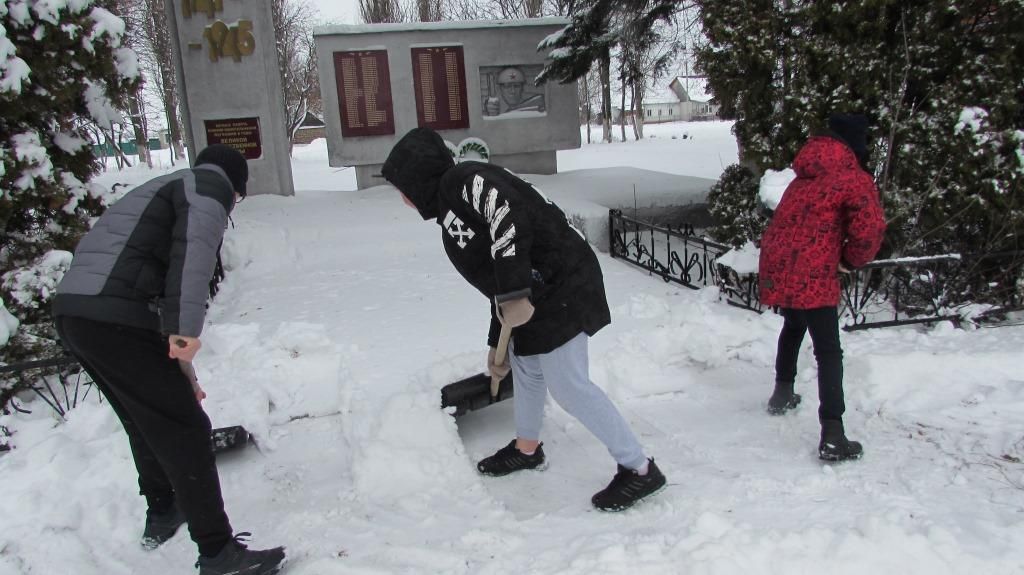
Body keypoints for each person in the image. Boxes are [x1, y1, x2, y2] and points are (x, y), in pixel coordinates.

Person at [382, 127, 666, 511]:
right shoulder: (450, 207)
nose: (401, 196)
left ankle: (639, 468)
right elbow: (494, 270)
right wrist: (497, 336)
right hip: (535, 290)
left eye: (401, 184)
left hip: (560, 282)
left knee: (569, 386)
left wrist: (515, 291)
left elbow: (507, 214)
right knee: (527, 368)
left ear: (417, 176)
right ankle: (527, 447)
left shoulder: (464, 180)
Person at [52, 145, 286, 575]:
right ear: (236, 184)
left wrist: (180, 362)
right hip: (114, 318)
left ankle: (164, 508)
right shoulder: (209, 185)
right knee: (185, 429)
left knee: (144, 418)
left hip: (77, 314)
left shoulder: (161, 187)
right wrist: (186, 332)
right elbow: (193, 257)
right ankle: (218, 554)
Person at [758, 113, 887, 462]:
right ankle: (833, 433)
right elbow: (870, 229)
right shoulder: (853, 179)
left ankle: (782, 392)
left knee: (794, 324)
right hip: (814, 271)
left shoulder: (804, 177)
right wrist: (850, 260)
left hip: (784, 266)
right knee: (828, 350)